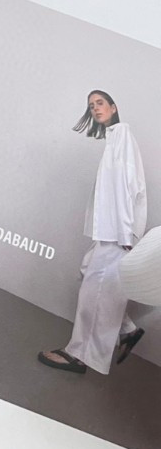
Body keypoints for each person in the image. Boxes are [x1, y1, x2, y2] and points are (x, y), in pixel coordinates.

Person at [38, 90, 147, 375]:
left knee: (94, 291)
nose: (95, 108)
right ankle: (128, 330)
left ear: (114, 107)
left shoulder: (122, 135)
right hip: (111, 230)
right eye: (91, 105)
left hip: (117, 233)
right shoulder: (114, 138)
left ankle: (78, 356)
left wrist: (126, 234)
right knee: (92, 275)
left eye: (100, 103)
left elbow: (127, 186)